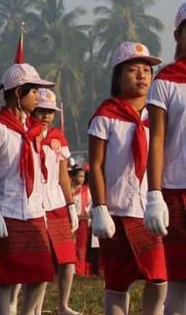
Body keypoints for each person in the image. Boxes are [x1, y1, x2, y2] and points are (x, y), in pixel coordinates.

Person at [88, 41, 168, 314]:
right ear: (118, 76)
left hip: (151, 210)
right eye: (133, 70)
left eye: (146, 70)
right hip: (117, 211)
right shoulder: (105, 115)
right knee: (117, 282)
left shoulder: (158, 114)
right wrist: (99, 208)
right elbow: (96, 165)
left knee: (159, 277)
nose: (142, 76)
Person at [0, 63, 57, 314]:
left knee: (41, 274)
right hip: (8, 212)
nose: (39, 97)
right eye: (34, 91)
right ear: (18, 93)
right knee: (7, 278)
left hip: (34, 213)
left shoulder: (33, 129)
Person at [146, 2, 186, 313]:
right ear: (178, 34)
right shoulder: (165, 81)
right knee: (180, 283)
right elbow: (156, 139)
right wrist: (154, 194)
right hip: (177, 190)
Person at [32, 89, 80, 315]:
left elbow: (63, 176)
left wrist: (71, 206)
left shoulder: (57, 137)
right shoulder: (26, 135)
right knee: (38, 262)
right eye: (42, 110)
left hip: (57, 204)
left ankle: (63, 305)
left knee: (68, 259)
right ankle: (34, 308)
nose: (46, 116)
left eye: (50, 112)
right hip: (33, 204)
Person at [71, 167, 91, 276]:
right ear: (73, 177)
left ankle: (80, 271)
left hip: (82, 221)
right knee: (70, 245)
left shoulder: (86, 190)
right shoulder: (68, 189)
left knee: (81, 247)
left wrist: (86, 212)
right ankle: (71, 270)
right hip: (70, 221)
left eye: (83, 176)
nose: (82, 179)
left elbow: (90, 204)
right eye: (79, 176)